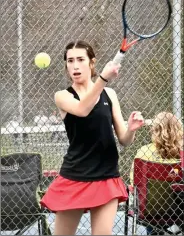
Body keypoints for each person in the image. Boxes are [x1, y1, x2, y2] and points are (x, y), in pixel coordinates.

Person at [40, 40, 145, 235]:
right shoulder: (62, 96)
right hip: (75, 176)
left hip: (106, 177)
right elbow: (82, 109)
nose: (75, 65)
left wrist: (131, 129)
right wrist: (103, 78)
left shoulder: (110, 95)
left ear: (91, 63)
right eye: (70, 61)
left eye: (80, 59)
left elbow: (124, 140)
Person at [130, 112, 183, 235]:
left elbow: (134, 182)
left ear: (154, 130)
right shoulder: (182, 155)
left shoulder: (143, 153)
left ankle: (155, 232)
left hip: (150, 210)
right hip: (179, 209)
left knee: (149, 196)